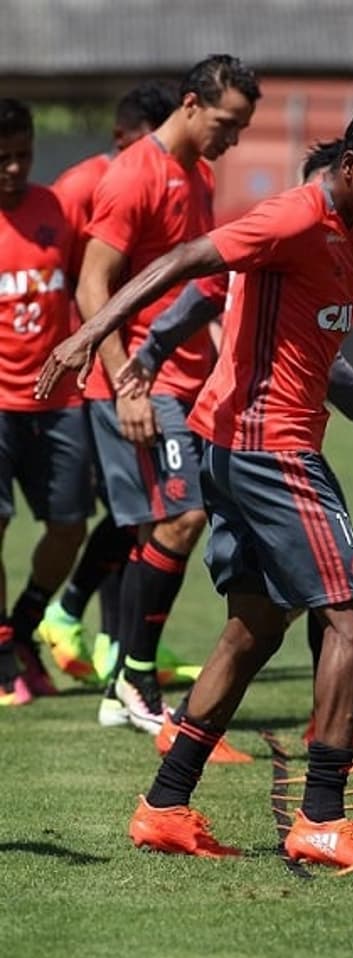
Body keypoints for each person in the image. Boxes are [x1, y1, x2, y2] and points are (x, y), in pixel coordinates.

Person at [37, 90, 353, 872]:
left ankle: (163, 806)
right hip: (267, 451)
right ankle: (321, 819)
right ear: (351, 165)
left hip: (248, 447)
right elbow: (184, 260)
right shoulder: (294, 216)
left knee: (255, 627)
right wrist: (92, 332)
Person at [64, 55, 261, 736]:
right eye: (226, 124)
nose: (231, 140)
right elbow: (93, 287)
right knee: (181, 519)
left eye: (240, 129)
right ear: (189, 104)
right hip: (138, 384)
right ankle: (133, 678)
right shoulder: (132, 175)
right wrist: (127, 384)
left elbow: (196, 282)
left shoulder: (197, 175)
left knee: (158, 526)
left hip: (182, 379)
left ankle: (124, 683)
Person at [37, 80, 182, 689]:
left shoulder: (175, 175)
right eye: (143, 142)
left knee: (134, 513)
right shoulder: (82, 186)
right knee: (130, 512)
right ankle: (68, 620)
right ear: (122, 137)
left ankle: (108, 642)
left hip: (122, 365)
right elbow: (71, 279)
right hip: (82, 371)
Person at [0, 99, 93, 705]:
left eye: (23, 155)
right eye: (1, 158)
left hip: (59, 400)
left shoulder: (56, 210)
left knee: (68, 525)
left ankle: (25, 624)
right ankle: (4, 648)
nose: (14, 168)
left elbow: (91, 286)